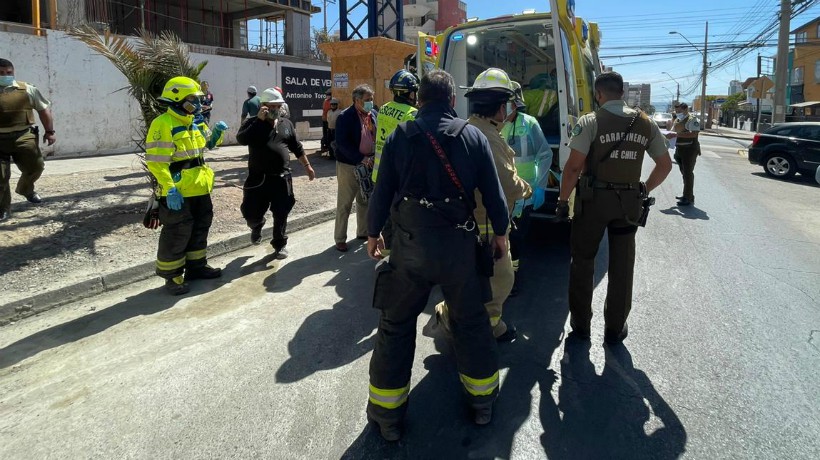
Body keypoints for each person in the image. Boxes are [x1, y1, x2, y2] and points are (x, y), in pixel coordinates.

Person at [365, 68, 509, 441]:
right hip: (459, 249)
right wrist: (502, 235)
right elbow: (493, 195)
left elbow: (382, 191)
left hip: (410, 248)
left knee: (395, 327)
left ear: (419, 99)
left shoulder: (401, 135)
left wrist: (372, 233)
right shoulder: (472, 136)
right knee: (472, 324)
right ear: (450, 100)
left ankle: (387, 416)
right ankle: (481, 404)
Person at [556, 71, 672, 343]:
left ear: (598, 94)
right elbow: (665, 165)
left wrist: (562, 201)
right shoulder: (645, 123)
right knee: (622, 265)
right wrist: (644, 189)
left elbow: (573, 167)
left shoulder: (590, 121)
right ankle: (615, 327)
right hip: (628, 205)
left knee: (583, 261)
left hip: (593, 203)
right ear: (622, 93)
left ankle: (581, 324)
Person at [435, 68, 532, 342]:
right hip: (487, 224)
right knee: (501, 281)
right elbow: (507, 184)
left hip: (465, 222)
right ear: (501, 107)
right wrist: (528, 189)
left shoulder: (469, 128)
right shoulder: (488, 136)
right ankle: (486, 327)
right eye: (508, 106)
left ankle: (455, 315)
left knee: (471, 281)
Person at [145, 76, 222, 295]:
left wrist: (216, 135)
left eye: (199, 100)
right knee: (178, 233)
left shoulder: (194, 122)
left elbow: (206, 145)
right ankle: (173, 276)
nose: (198, 104)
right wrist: (169, 188)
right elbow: (156, 163)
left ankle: (197, 267)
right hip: (177, 191)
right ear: (177, 98)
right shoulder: (163, 123)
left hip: (199, 187)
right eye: (193, 99)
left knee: (200, 227)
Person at [236, 88, 315, 257]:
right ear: (263, 106)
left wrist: (307, 166)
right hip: (259, 179)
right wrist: (258, 120)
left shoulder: (286, 124)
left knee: (281, 212)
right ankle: (256, 225)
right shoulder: (252, 123)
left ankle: (279, 244)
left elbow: (296, 147)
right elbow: (241, 139)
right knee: (250, 212)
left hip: (281, 178)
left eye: (278, 106)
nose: (276, 110)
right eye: (272, 106)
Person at [500, 81, 552, 296]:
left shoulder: (529, 124)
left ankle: (514, 280)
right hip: (501, 193)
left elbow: (545, 154)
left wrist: (540, 186)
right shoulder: (493, 125)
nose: (504, 108)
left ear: (515, 104)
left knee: (517, 239)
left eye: (507, 104)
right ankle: (501, 276)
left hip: (525, 196)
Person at [371, 69, 419, 256]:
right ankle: (400, 256)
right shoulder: (413, 114)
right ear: (411, 93)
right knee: (402, 218)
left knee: (386, 218)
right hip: (399, 178)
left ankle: (387, 254)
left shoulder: (383, 109)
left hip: (379, 173)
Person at [0, 58, 55, 222]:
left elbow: (44, 110)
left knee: (36, 167)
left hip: (23, 136)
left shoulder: (27, 89)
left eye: (8, 73)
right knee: (0, 178)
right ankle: (3, 209)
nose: (5, 76)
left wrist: (50, 131)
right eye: (1, 73)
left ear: (13, 72)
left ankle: (25, 189)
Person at [333, 84, 377, 252]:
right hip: (348, 165)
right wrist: (361, 158)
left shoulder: (372, 114)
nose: (371, 103)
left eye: (371, 99)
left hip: (368, 164)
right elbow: (342, 144)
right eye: (367, 100)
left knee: (364, 199)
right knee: (345, 203)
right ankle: (340, 238)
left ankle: (363, 232)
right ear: (357, 100)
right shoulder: (345, 117)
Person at [667, 102, 700, 206]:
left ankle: (687, 197)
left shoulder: (692, 119)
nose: (677, 113)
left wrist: (676, 134)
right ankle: (688, 195)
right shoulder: (677, 119)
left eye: (679, 111)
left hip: (689, 149)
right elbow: (672, 131)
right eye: (676, 111)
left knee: (688, 173)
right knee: (684, 173)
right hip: (680, 149)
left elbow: (693, 134)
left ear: (685, 109)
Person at [320, 88, 332, 153]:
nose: (327, 95)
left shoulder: (331, 102)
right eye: (327, 94)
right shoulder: (326, 101)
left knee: (327, 134)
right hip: (325, 120)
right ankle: (324, 146)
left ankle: (325, 146)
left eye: (329, 94)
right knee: (326, 134)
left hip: (328, 120)